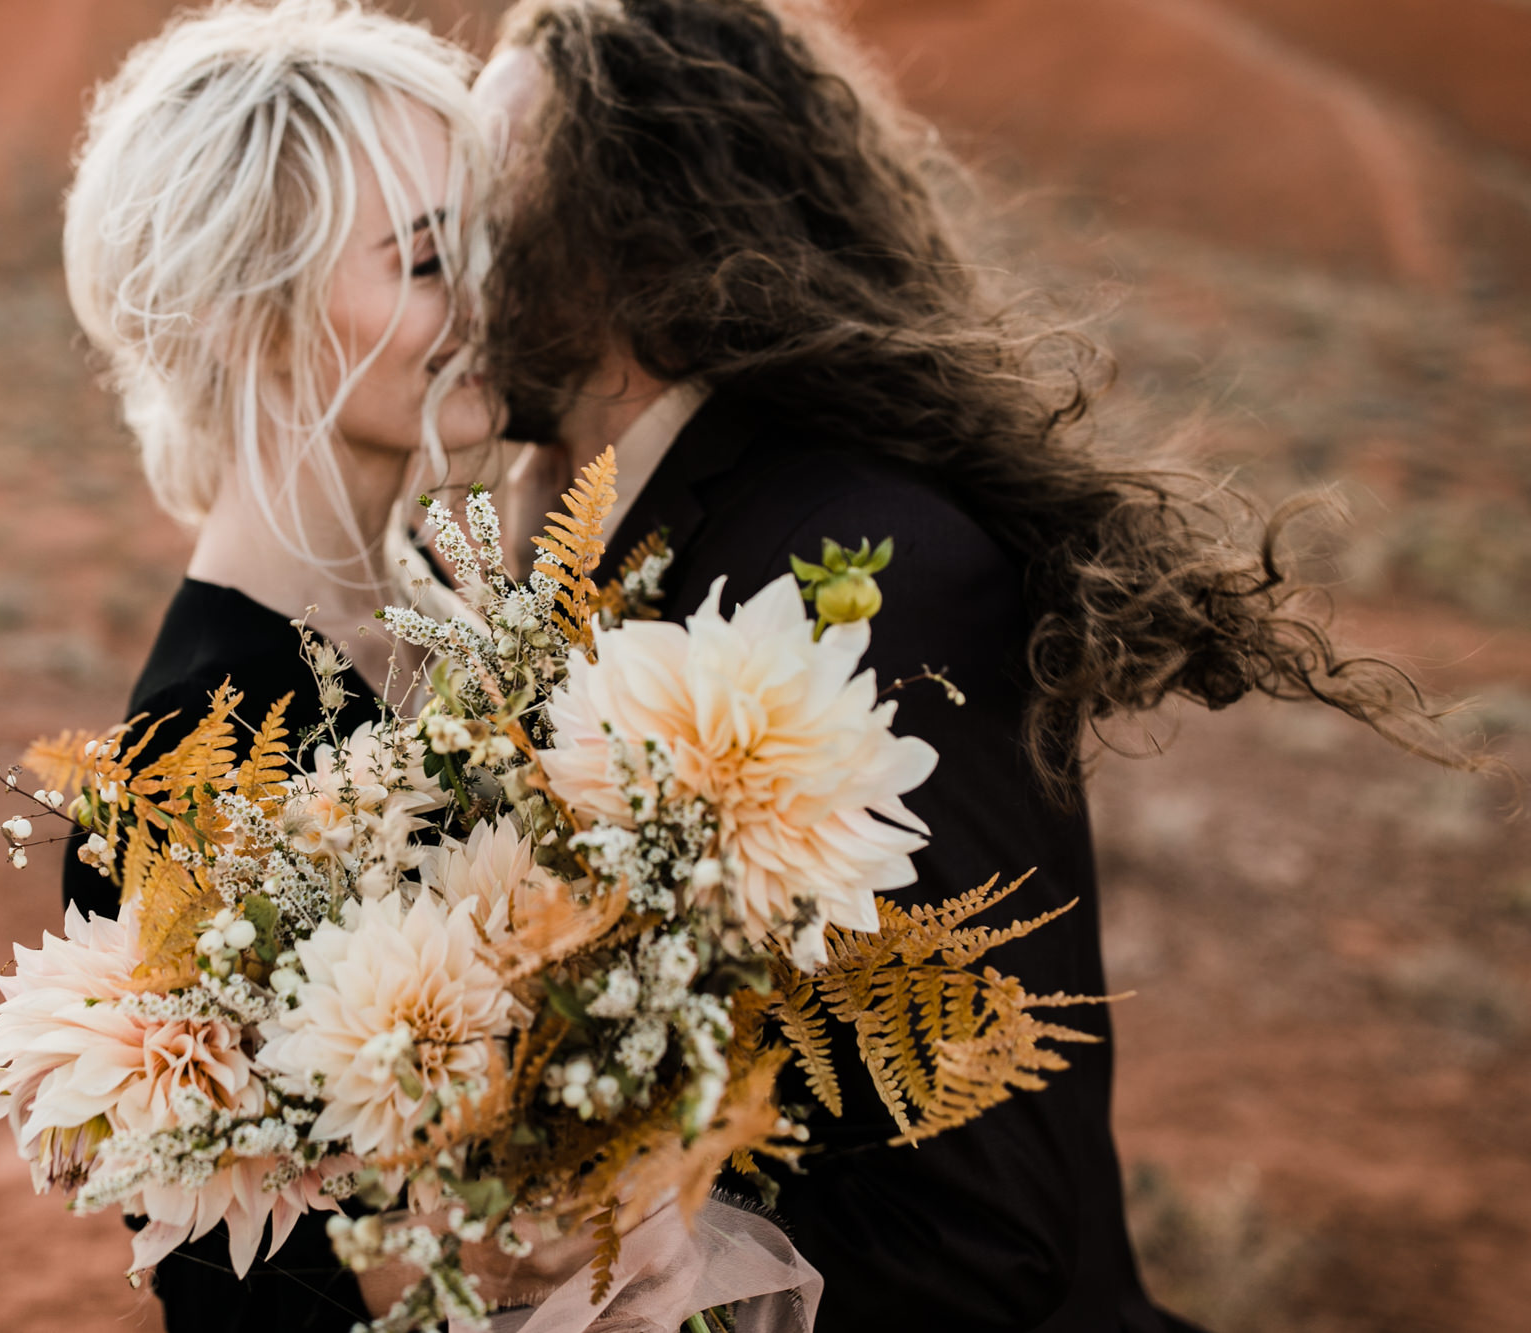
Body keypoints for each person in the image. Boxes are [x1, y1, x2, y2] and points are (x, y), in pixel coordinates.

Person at [473, 0, 1489, 1328]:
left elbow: (977, 1220)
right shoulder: (634, 530)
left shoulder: (862, 569)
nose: (446, 239)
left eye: (480, 182)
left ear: (629, 215)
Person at [55, 2, 498, 1327]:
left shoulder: (466, 611)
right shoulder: (187, 766)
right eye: (426, 262)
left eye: (488, 248)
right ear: (250, 316)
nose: (486, 302)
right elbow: (253, 1301)